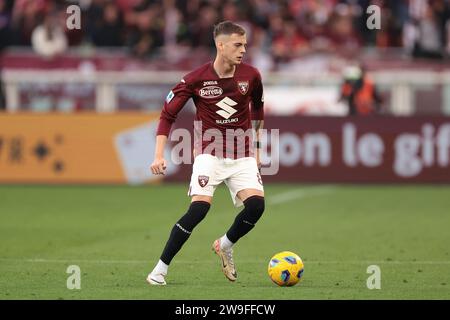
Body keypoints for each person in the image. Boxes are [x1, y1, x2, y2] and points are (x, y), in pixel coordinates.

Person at [147, 21, 265, 286]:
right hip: (208, 152)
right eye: (237, 44)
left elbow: (258, 109)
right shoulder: (195, 79)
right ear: (220, 45)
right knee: (199, 208)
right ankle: (160, 269)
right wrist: (158, 155)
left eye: (245, 44)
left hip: (242, 151)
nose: (243, 50)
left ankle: (224, 245)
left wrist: (257, 147)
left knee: (257, 206)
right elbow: (167, 115)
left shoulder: (252, 75)